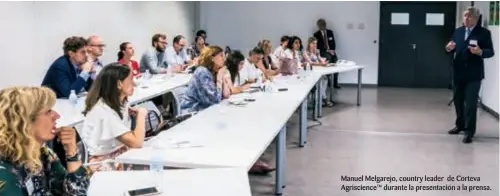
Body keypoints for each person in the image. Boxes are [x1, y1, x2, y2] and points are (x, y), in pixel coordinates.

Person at [0, 86, 90, 195]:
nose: (57, 116)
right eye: (48, 111)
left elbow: (76, 192)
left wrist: (72, 152)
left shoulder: (43, 152)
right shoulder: (4, 171)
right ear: (24, 121)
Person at [81, 64, 148, 171]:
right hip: (105, 164)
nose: (134, 83)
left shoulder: (117, 104)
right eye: (130, 80)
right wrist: (141, 115)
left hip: (118, 155)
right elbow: (137, 142)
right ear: (119, 84)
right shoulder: (104, 112)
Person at [446, 7, 494, 143]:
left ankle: (469, 131)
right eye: (465, 16)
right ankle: (459, 125)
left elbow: (490, 52)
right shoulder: (458, 32)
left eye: (469, 16)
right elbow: (451, 46)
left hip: (474, 74)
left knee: (471, 104)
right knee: (458, 101)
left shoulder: (484, 33)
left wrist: (480, 52)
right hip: (458, 72)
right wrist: (448, 48)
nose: (466, 18)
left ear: (476, 18)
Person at [224, 51, 276, 174]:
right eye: (240, 64)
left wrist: (240, 88)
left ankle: (252, 159)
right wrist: (242, 88)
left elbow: (235, 89)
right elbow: (231, 91)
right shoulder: (226, 73)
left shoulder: (233, 73)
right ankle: (251, 162)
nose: (242, 66)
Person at [180, 46, 231, 113]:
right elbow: (215, 100)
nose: (224, 59)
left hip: (204, 109)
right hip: (192, 112)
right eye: (221, 56)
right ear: (212, 58)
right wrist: (219, 78)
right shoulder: (202, 72)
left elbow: (226, 95)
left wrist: (224, 77)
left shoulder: (215, 72)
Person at [305, 37, 334, 107]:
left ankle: (321, 98)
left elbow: (320, 59)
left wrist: (325, 62)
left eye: (316, 43)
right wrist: (321, 64)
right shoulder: (306, 52)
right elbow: (310, 63)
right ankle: (323, 98)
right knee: (321, 80)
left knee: (325, 78)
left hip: (318, 71)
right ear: (309, 44)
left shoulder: (317, 51)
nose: (315, 45)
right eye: (313, 43)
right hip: (309, 72)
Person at [314, 18, 341, 89]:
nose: (323, 26)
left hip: (331, 51)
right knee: (328, 60)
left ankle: (335, 83)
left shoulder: (330, 32)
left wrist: (332, 50)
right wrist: (327, 50)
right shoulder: (316, 34)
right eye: (321, 25)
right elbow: (318, 46)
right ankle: (329, 82)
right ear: (318, 26)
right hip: (323, 52)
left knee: (336, 62)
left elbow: (333, 42)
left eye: (324, 24)